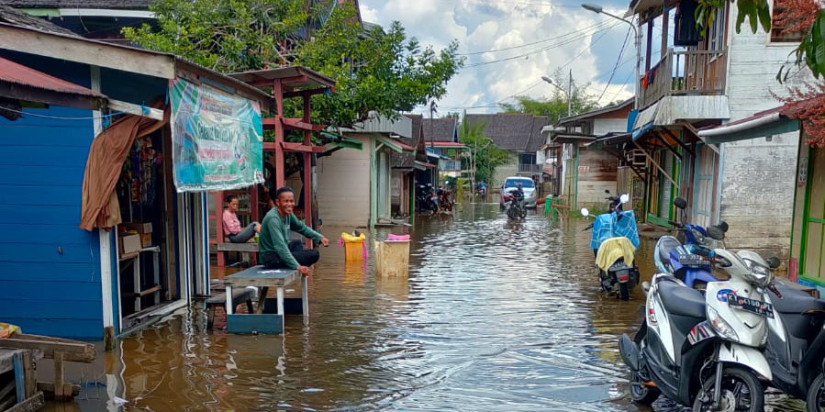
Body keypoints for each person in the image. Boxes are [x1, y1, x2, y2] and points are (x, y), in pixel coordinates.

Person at [259, 187, 329, 276]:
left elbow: (301, 227)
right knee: (314, 254)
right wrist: (296, 266)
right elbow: (280, 246)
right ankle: (295, 263)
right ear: (278, 202)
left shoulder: (288, 214)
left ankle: (293, 262)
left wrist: (319, 237)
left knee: (297, 243)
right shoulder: (273, 218)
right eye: (286, 201)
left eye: (291, 201)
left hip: (279, 253)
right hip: (270, 258)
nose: (290, 204)